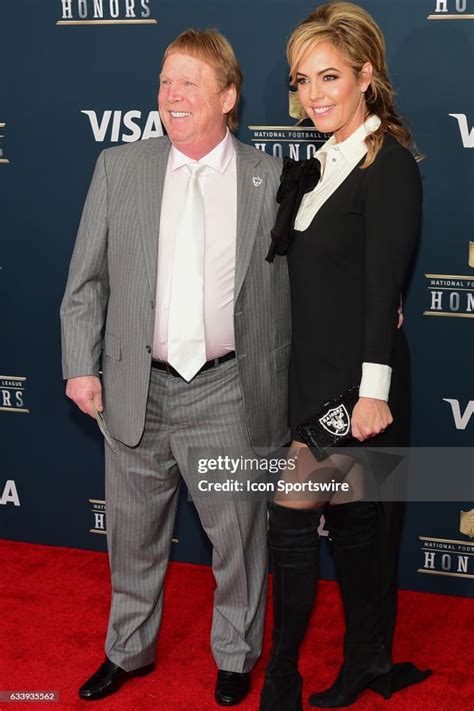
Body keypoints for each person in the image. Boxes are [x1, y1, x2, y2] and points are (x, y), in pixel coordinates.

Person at [60, 29, 291, 705]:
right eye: (166, 81)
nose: (173, 95)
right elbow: (86, 284)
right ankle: (127, 650)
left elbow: (304, 285)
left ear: (228, 95)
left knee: (238, 538)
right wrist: (81, 364)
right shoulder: (119, 167)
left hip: (228, 388)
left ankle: (235, 653)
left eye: (191, 81)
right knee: (131, 537)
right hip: (136, 387)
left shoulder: (271, 179)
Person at [260, 4, 431, 709]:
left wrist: (373, 391)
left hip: (357, 385)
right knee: (359, 531)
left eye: (330, 75)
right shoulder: (315, 166)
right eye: (302, 81)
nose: (315, 94)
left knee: (291, 515)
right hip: (308, 374)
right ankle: (369, 658)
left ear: (367, 74)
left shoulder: (388, 165)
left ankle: (281, 677)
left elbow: (383, 286)